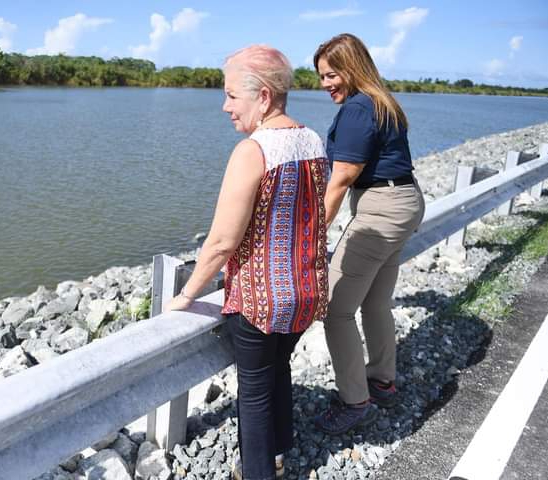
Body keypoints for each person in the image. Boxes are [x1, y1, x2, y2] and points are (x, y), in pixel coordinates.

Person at [164, 45, 329, 479]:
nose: (224, 106)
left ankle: (259, 472)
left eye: (232, 95)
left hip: (262, 301)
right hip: (306, 294)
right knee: (280, 366)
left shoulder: (253, 152)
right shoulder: (312, 140)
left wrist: (185, 295)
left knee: (253, 391)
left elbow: (221, 242)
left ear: (264, 97)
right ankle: (279, 450)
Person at [311, 33, 425, 435]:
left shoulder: (359, 108)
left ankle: (354, 400)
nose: (326, 84)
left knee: (334, 308)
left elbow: (341, 178)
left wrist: (310, 237)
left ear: (352, 67)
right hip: (404, 201)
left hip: (381, 210)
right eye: (322, 77)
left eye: (331, 74)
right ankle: (381, 380)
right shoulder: (381, 100)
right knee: (375, 301)